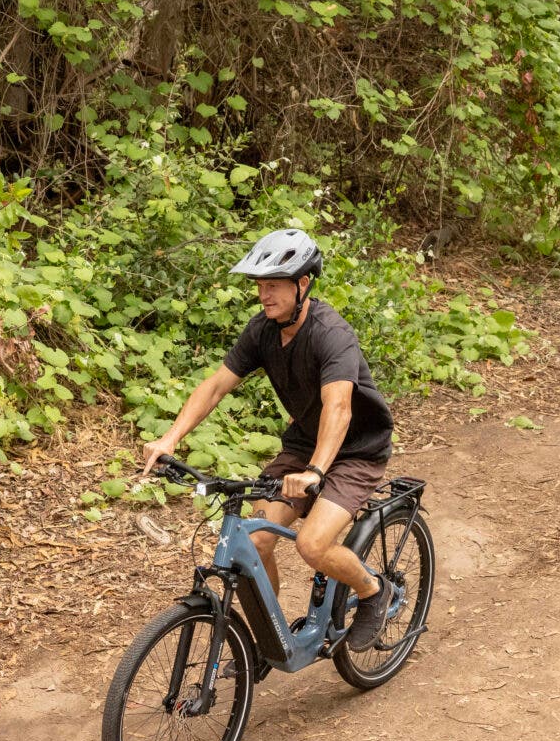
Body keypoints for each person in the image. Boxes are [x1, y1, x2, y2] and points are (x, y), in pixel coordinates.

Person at [140, 228, 398, 650]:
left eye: (274, 285)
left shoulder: (331, 334)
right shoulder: (263, 331)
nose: (264, 294)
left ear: (303, 284)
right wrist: (169, 439)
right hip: (302, 446)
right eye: (260, 285)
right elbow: (216, 387)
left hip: (355, 452)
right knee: (255, 541)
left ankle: (373, 591)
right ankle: (272, 637)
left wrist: (315, 471)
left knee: (313, 545)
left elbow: (338, 408)